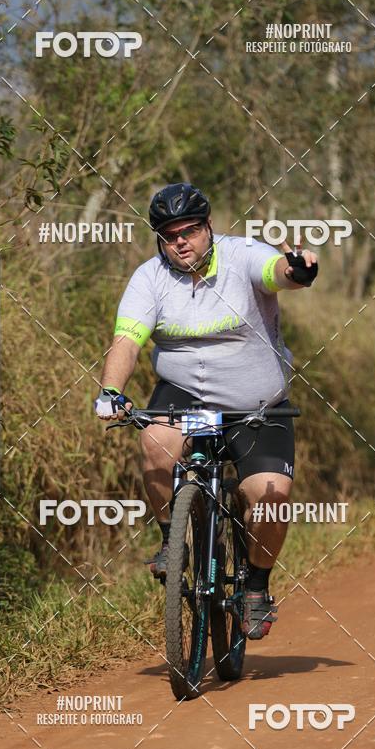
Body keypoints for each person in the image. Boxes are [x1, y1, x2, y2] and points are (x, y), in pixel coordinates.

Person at [95, 182, 318, 639]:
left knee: (271, 497)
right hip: (187, 399)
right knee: (157, 441)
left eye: (191, 230)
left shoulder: (241, 256)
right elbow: (127, 341)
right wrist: (111, 391)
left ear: (208, 227)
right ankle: (170, 542)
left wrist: (297, 270)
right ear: (160, 238)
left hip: (256, 408)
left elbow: (276, 272)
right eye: (170, 233)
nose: (181, 241)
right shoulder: (149, 279)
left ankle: (256, 587)